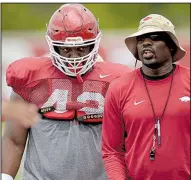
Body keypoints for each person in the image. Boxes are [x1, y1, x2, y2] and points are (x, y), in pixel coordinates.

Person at [2, 4, 132, 180]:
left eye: (81, 49)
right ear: (52, 45)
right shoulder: (31, 79)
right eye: (65, 49)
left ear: (94, 44)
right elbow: (13, 140)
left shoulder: (117, 81)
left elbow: (132, 142)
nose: (73, 58)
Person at [102, 14, 190, 180]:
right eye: (141, 39)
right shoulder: (119, 88)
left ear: (171, 46)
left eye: (155, 37)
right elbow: (112, 150)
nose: (146, 43)